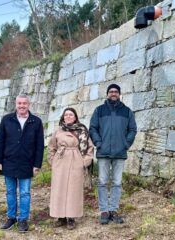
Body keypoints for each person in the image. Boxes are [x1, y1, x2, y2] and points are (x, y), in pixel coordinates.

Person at [0, 94, 44, 233]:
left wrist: (37, 164)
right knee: (10, 192)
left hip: (27, 162)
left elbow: (40, 145)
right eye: (19, 103)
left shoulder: (36, 121)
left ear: (29, 104)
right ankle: (11, 217)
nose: (22, 106)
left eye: (24, 103)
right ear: (16, 104)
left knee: (25, 192)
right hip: (8, 161)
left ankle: (22, 219)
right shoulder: (7, 119)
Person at [89, 83, 137, 225]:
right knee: (103, 182)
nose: (113, 93)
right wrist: (98, 143)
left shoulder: (127, 111)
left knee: (116, 183)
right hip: (103, 153)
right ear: (107, 94)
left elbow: (132, 130)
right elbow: (93, 128)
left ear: (119, 94)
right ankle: (104, 210)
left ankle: (114, 210)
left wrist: (126, 144)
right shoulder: (99, 110)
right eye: (111, 91)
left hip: (120, 153)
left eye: (116, 91)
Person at [48, 107, 94, 230]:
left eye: (71, 115)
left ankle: (71, 218)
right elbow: (52, 147)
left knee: (74, 190)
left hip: (76, 161)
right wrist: (53, 161)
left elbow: (90, 148)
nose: (68, 116)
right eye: (66, 115)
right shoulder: (58, 131)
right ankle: (60, 216)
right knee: (59, 189)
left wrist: (84, 162)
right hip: (60, 162)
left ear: (75, 117)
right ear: (63, 117)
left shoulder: (82, 130)